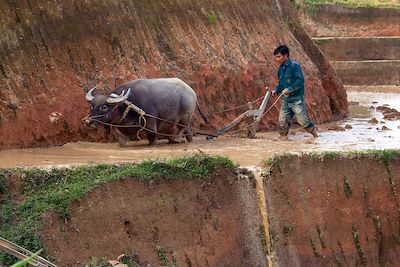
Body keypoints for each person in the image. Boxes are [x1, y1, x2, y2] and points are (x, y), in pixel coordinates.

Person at [271, 45, 318, 139]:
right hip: (286, 101)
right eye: (276, 57)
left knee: (303, 122)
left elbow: (300, 81)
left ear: (286, 55)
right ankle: (283, 139)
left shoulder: (294, 66)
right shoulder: (280, 69)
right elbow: (281, 83)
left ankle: (316, 136)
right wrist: (276, 90)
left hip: (297, 100)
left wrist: (290, 89)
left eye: (279, 56)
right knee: (282, 122)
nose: (277, 59)